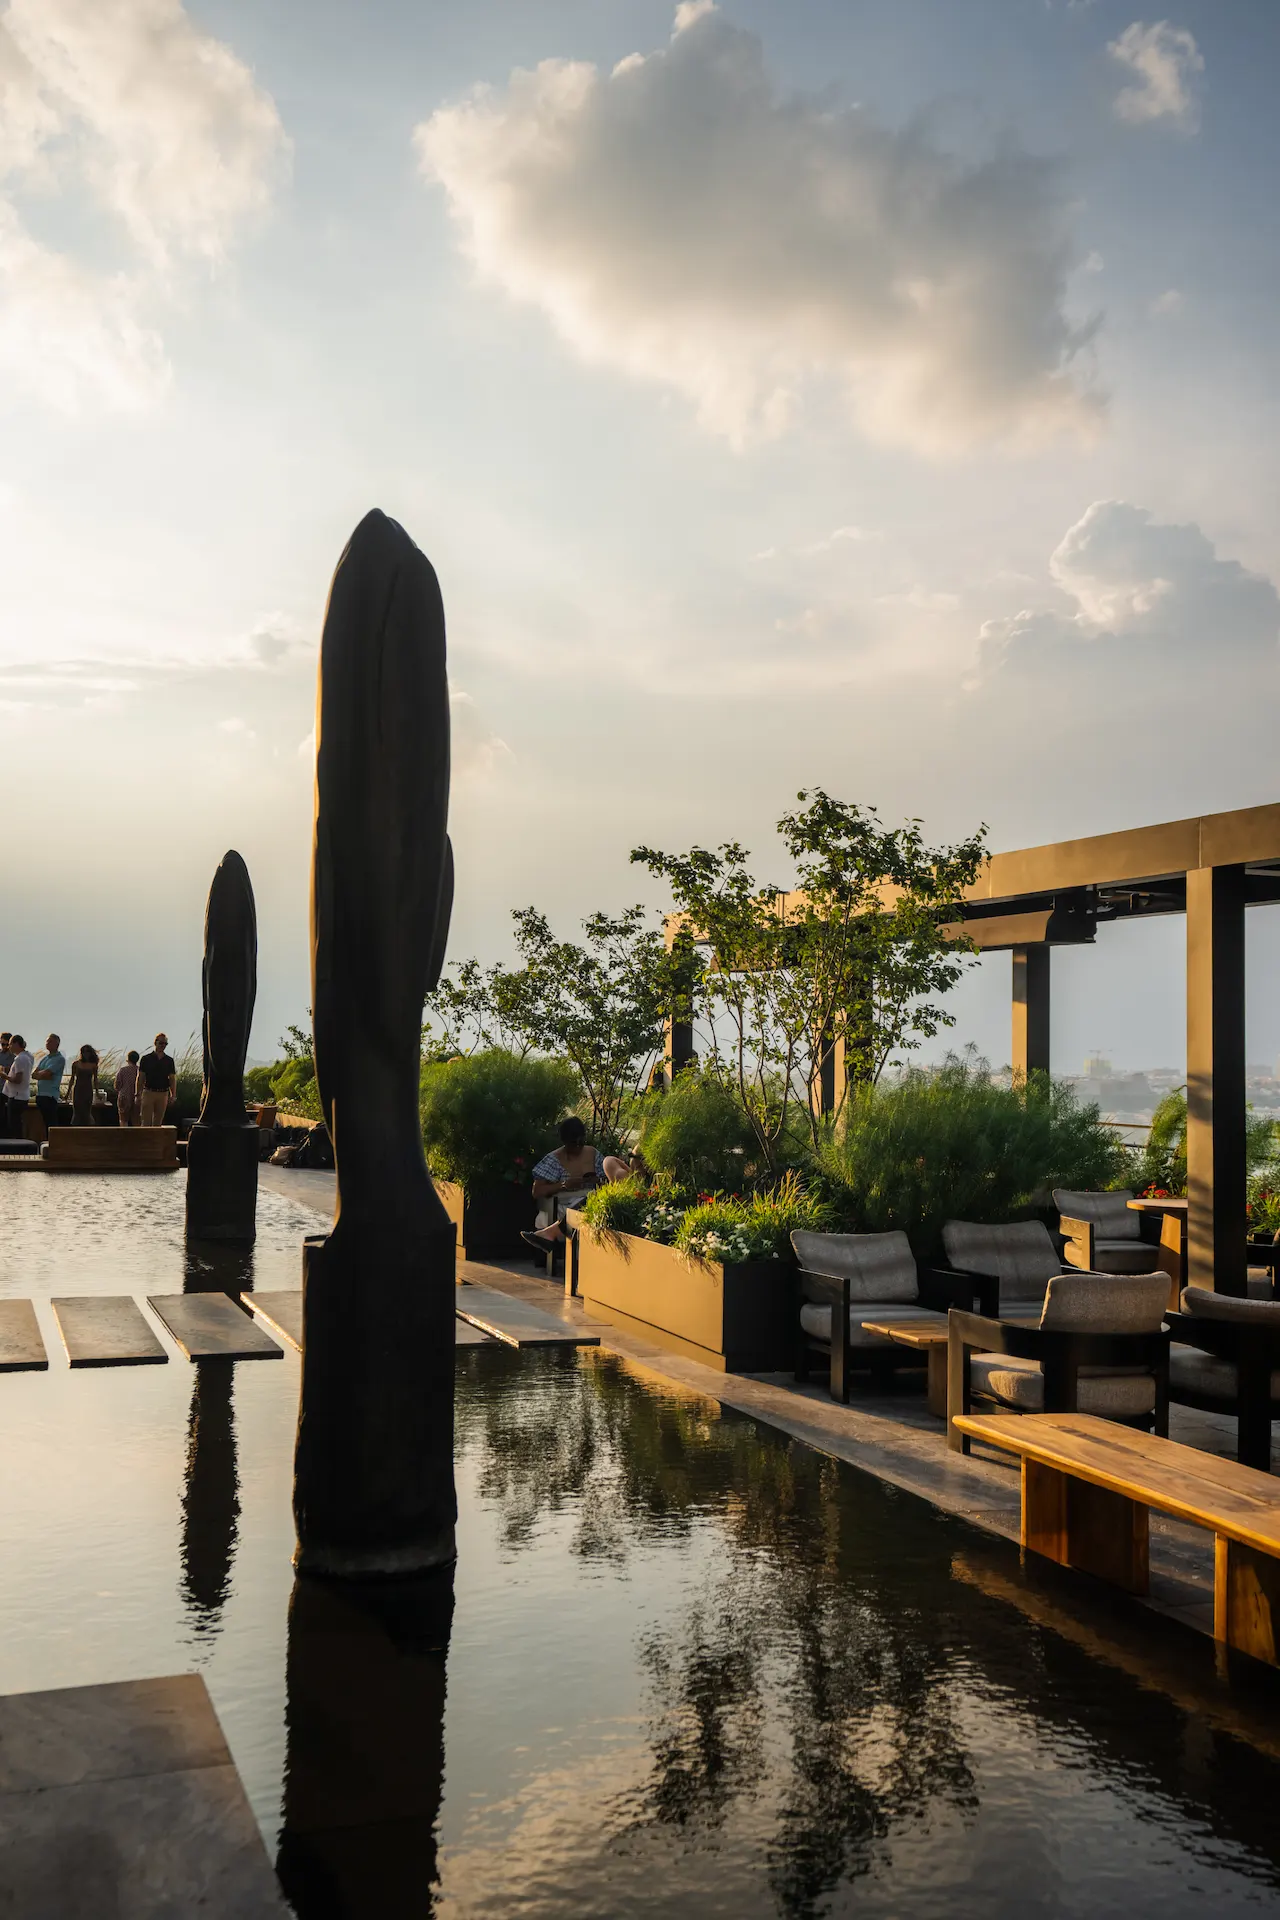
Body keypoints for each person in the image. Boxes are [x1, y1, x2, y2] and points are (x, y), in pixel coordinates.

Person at [521, 1116, 633, 1255]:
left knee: (596, 1202)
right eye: (574, 1143)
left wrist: (596, 1180)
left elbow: (608, 1179)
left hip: (593, 1195)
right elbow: (537, 1191)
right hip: (566, 1199)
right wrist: (564, 1185)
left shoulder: (591, 1154)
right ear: (565, 1141)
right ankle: (553, 1233)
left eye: (581, 1142)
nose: (578, 1146)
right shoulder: (553, 1160)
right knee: (589, 1204)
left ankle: (551, 1233)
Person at [138, 1033, 176, 1126]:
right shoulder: (146, 1059)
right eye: (161, 1043)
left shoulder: (169, 1060)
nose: (163, 1046)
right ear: (155, 1043)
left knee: (158, 1122)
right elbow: (141, 1077)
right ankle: (146, 1139)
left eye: (165, 1044)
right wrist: (138, 1094)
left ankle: (156, 1140)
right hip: (148, 1092)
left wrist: (173, 1095)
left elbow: (172, 1078)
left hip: (163, 1093)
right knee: (146, 1121)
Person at [32, 1034, 66, 1135]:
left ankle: (54, 1146)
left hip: (50, 1096)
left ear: (57, 1043)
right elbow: (34, 1074)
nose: (47, 1043)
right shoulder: (45, 1058)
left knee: (51, 1124)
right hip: (41, 1095)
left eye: (50, 1041)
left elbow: (48, 1073)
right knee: (45, 1123)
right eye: (47, 1041)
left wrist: (44, 1074)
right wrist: (43, 1074)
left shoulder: (59, 1059)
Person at [3, 1035, 34, 1138]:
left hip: (16, 1096)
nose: (9, 1047)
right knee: (17, 1123)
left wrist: (5, 1076)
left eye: (11, 1044)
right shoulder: (29, 1056)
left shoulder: (19, 1059)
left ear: (16, 1044)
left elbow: (18, 1079)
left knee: (14, 1124)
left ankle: (17, 1147)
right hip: (23, 1095)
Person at [68, 1045, 100, 1126]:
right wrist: (68, 1093)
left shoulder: (93, 1065)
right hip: (78, 1090)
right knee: (77, 1111)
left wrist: (97, 1092)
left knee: (87, 1111)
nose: (86, 1054)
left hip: (88, 1090)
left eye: (87, 1052)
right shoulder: (75, 1064)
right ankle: (76, 1131)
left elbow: (95, 1080)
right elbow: (72, 1079)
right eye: (84, 1052)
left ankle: (87, 1130)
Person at [115, 1050, 142, 1128]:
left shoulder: (123, 1070)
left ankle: (124, 1137)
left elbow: (117, 1085)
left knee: (123, 1120)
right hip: (137, 1097)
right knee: (136, 1120)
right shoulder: (140, 1071)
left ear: (128, 1059)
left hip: (124, 1096)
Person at [0, 1035, 13, 1139]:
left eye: (6, 1044)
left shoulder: (14, 1056)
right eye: (2, 1044)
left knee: (7, 1116)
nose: (4, 1047)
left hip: (8, 1090)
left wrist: (5, 1069)